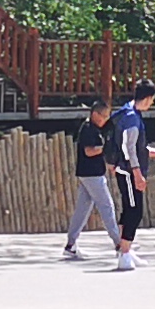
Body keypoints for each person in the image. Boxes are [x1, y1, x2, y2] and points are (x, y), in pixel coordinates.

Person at [62, 100, 123, 261]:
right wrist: (106, 148)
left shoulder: (95, 128)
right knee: (107, 206)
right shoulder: (88, 129)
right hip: (92, 175)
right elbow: (89, 151)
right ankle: (118, 243)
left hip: (89, 174)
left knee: (82, 210)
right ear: (95, 114)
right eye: (103, 116)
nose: (105, 119)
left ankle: (70, 245)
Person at [110, 81, 155, 271]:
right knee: (134, 211)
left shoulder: (128, 112)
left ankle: (124, 249)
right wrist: (137, 174)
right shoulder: (132, 118)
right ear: (147, 99)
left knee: (129, 210)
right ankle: (125, 254)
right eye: (152, 100)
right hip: (128, 171)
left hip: (126, 169)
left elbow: (136, 147)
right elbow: (129, 149)